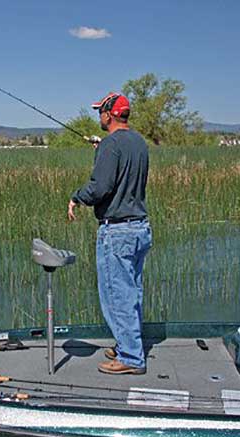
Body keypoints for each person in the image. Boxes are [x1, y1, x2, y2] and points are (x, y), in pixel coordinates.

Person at [68, 92, 152, 375]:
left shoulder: (110, 146)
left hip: (117, 232)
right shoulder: (138, 143)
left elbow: (100, 187)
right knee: (132, 293)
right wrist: (102, 149)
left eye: (99, 112)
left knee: (117, 296)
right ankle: (127, 344)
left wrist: (76, 197)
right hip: (140, 228)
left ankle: (130, 357)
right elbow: (122, 169)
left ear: (108, 114)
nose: (98, 117)